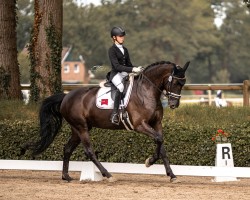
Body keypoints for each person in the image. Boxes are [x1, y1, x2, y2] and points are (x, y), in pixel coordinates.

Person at [108, 26, 143, 124]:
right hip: (116, 74)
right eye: (120, 36)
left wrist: (138, 68)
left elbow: (129, 65)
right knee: (121, 87)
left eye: (123, 36)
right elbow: (117, 66)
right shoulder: (112, 50)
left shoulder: (125, 50)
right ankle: (115, 114)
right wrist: (132, 69)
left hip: (125, 73)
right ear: (114, 37)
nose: (123, 38)